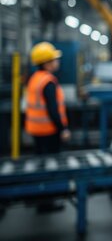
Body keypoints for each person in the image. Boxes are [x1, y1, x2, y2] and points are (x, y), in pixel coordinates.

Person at [25, 42, 71, 212]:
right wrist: (63, 129)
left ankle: (41, 200)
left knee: (40, 166)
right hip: (49, 131)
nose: (57, 62)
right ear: (46, 62)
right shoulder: (48, 82)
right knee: (51, 167)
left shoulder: (34, 79)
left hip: (36, 130)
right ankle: (47, 203)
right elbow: (53, 110)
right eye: (54, 59)